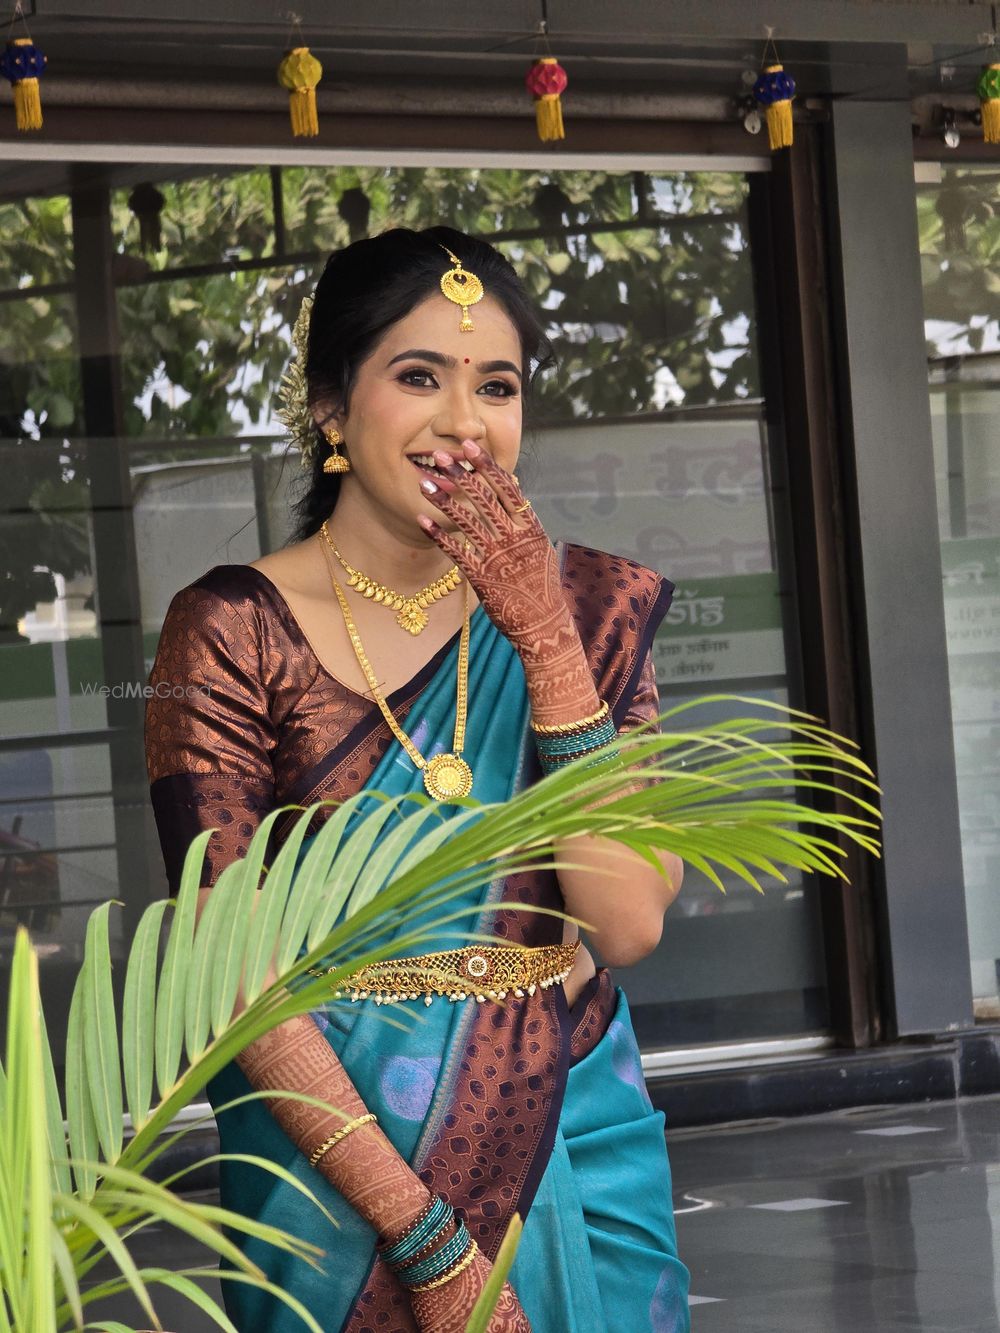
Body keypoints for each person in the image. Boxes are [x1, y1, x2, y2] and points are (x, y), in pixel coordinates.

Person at [144, 225, 691, 1333]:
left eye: (496, 386)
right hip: (338, 1172)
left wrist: (545, 644)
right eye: (417, 377)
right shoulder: (232, 629)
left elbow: (626, 924)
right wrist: (425, 1236)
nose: (463, 422)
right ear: (330, 407)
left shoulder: (589, 611)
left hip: (570, 1124)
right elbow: (234, 974)